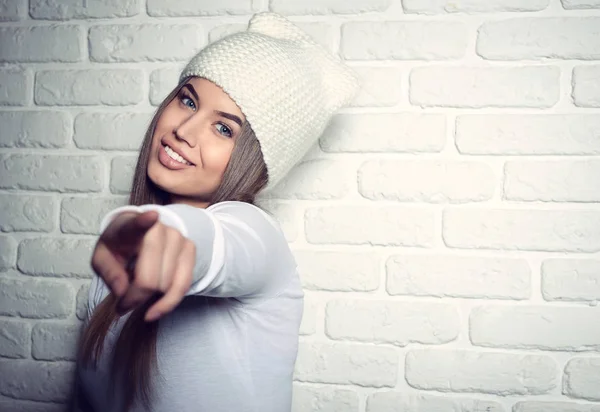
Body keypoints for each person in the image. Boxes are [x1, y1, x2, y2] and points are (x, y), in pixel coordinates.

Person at [74, 12, 358, 412]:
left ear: (254, 163)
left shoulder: (256, 237)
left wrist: (161, 232)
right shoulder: (112, 272)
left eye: (224, 129)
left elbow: (213, 245)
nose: (184, 131)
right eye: (187, 100)